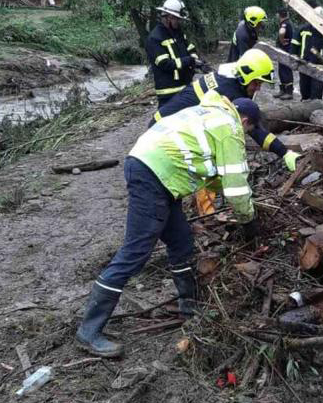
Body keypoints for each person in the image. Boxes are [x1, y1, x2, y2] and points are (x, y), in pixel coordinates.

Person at [76, 93, 261, 357]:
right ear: (244, 121)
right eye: (250, 131)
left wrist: (228, 189)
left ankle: (190, 308)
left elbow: (213, 174)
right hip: (155, 174)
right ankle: (88, 331)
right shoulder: (229, 128)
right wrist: (249, 220)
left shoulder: (210, 113)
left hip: (158, 173)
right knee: (135, 252)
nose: (245, 136)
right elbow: (236, 191)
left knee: (181, 241)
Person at [154, 48, 301, 172]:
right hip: (162, 135)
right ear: (246, 75)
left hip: (163, 123)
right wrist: (284, 152)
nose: (258, 88)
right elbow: (254, 129)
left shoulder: (229, 76)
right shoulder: (230, 93)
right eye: (256, 83)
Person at [145, 0, 208, 107]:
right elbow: (165, 64)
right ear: (169, 17)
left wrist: (197, 62)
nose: (180, 21)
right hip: (168, 93)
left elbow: (190, 48)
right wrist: (189, 61)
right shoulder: (155, 38)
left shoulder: (178, 33)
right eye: (177, 19)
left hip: (185, 86)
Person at [290, 6, 323, 100]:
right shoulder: (302, 29)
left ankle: (316, 108)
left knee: (317, 92)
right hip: (304, 63)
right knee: (304, 88)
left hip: (319, 66)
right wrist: (293, 59)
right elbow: (295, 45)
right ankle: (305, 106)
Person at [273, 7, 294, 101]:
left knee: (286, 70)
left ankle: (289, 92)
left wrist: (281, 40)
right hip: (283, 50)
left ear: (279, 14)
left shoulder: (285, 23)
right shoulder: (286, 22)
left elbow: (282, 32)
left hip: (285, 50)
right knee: (282, 70)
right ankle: (283, 90)